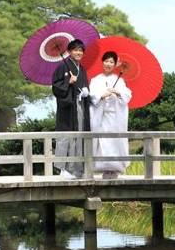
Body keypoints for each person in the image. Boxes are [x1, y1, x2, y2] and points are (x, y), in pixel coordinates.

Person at [89, 51, 132, 179]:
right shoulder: (95, 80)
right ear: (102, 62)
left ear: (115, 65)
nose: (108, 64)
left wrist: (117, 93)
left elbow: (127, 96)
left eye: (111, 62)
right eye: (106, 61)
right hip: (101, 117)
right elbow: (92, 96)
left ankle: (114, 169)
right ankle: (102, 167)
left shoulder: (119, 80)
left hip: (114, 117)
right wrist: (102, 95)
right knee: (102, 141)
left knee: (114, 142)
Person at [52, 39, 90, 179]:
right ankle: (63, 168)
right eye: (75, 50)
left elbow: (84, 85)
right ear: (69, 52)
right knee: (66, 136)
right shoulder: (63, 67)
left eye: (80, 50)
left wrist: (86, 91)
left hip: (80, 106)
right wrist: (68, 82)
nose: (78, 52)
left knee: (79, 135)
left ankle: (77, 168)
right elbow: (56, 87)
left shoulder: (83, 69)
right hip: (67, 107)